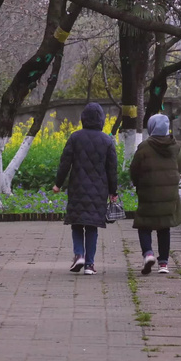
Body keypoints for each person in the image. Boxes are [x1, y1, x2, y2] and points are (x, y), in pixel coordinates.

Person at [53, 102, 118, 275]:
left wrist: (58, 184)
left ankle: (79, 254)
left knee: (76, 224)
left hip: (77, 188)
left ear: (83, 118)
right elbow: (112, 169)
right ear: (102, 120)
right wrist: (113, 191)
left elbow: (64, 163)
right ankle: (89, 265)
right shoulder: (107, 141)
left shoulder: (75, 137)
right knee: (91, 227)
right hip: (99, 190)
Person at [130, 113, 181, 275]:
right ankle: (164, 264)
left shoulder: (144, 147)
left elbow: (134, 170)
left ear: (151, 127)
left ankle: (148, 254)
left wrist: (138, 184)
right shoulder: (176, 147)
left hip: (148, 193)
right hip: (169, 194)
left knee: (144, 225)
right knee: (164, 227)